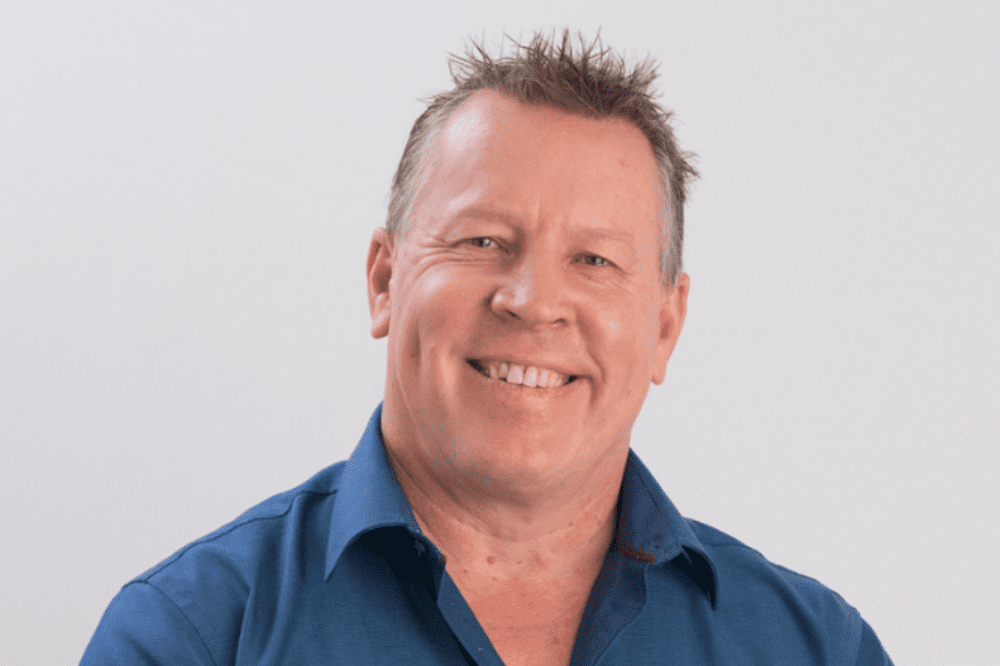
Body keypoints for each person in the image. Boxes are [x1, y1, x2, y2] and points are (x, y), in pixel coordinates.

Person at [80, 30, 893, 666]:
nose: (532, 301)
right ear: (384, 280)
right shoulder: (194, 634)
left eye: (594, 260)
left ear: (664, 329)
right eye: (481, 241)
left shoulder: (816, 648)